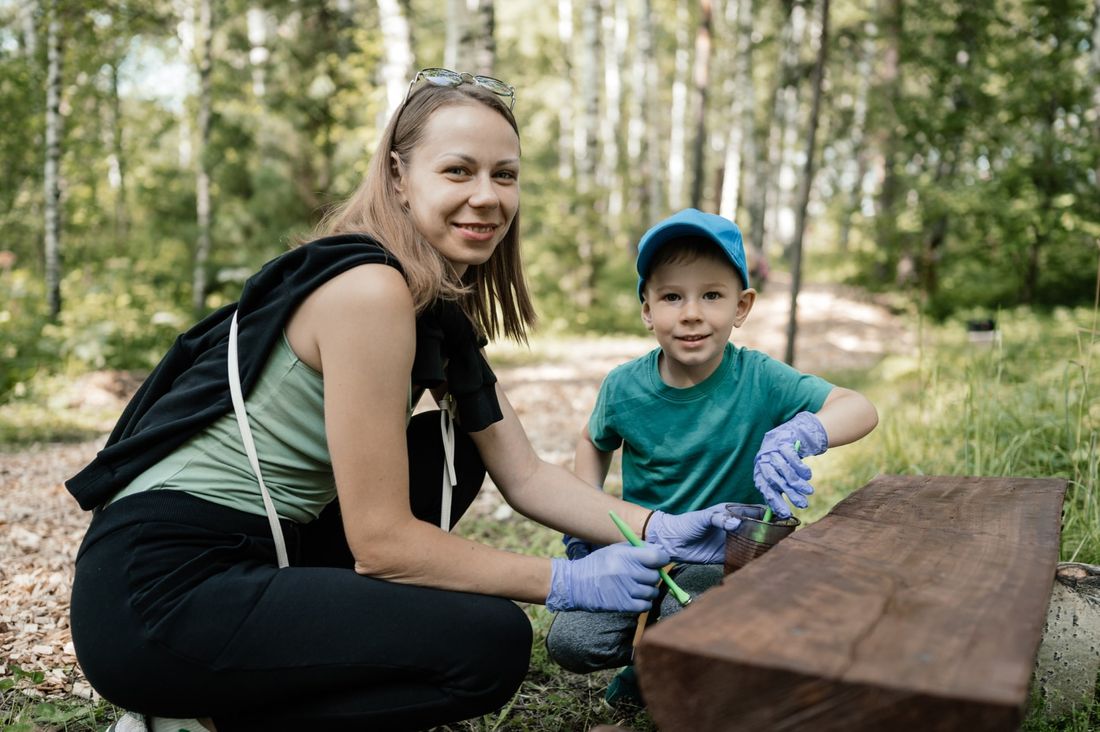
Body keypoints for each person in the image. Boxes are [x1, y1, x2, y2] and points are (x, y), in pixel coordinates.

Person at [66, 71, 748, 732]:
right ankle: (194, 719)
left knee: (443, 453)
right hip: (159, 596)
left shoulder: (428, 306)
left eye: (504, 175)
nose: (487, 197)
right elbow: (382, 545)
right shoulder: (369, 289)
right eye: (458, 171)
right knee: (487, 645)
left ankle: (227, 695)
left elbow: (527, 475)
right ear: (398, 176)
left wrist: (664, 527)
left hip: (250, 556)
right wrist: (566, 582)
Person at [545, 208, 879, 703]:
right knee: (571, 641)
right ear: (646, 308)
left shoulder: (761, 378)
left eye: (712, 295)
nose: (691, 313)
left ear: (742, 307)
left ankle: (658, 671)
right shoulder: (624, 387)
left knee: (690, 625)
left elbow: (859, 407)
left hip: (722, 555)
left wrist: (802, 433)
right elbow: (593, 442)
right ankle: (663, 651)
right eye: (672, 296)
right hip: (643, 551)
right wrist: (588, 510)